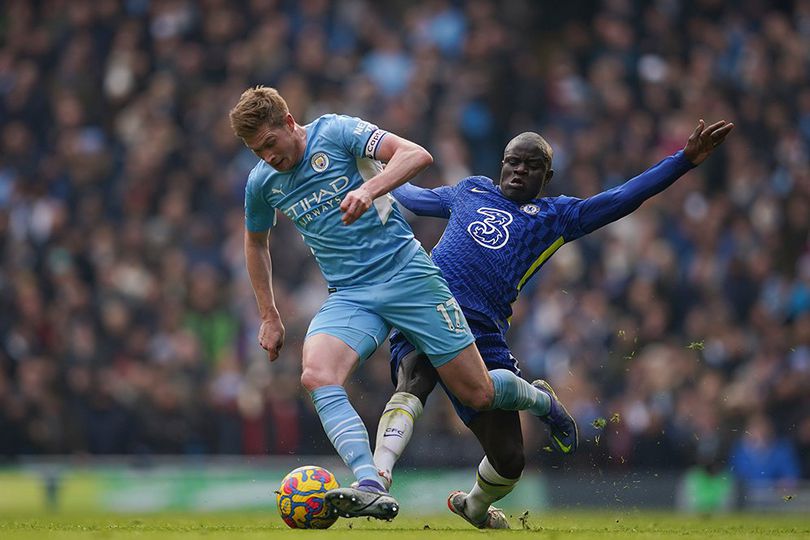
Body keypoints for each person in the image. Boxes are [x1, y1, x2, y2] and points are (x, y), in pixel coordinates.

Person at [228, 86, 581, 520]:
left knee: (482, 391)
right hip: (351, 294)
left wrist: (370, 189)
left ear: (288, 122)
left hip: (409, 278)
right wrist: (269, 314)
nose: (267, 157)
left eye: (269, 144)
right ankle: (369, 482)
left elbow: (416, 154)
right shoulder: (262, 183)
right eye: (255, 151)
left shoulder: (336, 132)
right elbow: (255, 241)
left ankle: (541, 402)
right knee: (316, 373)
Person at [372, 119, 735, 528]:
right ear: (501, 164)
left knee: (509, 460)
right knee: (414, 379)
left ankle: (474, 505)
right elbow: (414, 198)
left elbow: (623, 197)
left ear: (547, 176)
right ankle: (377, 478)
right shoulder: (469, 189)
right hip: (427, 307)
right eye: (512, 162)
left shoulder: (555, 216)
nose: (519, 170)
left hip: (483, 330)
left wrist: (683, 161)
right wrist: (379, 168)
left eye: (530, 165)